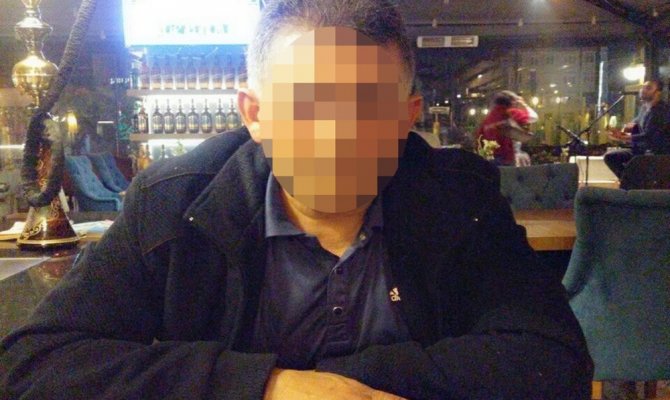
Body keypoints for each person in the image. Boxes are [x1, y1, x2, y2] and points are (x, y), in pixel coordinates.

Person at [0, 1, 593, 399]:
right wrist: (270, 386)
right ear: (255, 115)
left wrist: (338, 384)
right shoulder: (173, 201)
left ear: (406, 118)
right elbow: (35, 363)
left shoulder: (458, 198)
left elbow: (552, 361)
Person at [604, 79, 670, 178]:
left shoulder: (661, 110)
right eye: (643, 87)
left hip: (657, 153)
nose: (643, 90)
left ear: (658, 92)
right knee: (610, 157)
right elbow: (635, 124)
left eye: (648, 88)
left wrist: (622, 138)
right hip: (642, 150)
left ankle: (632, 182)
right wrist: (621, 131)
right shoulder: (644, 108)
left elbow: (648, 136)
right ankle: (629, 182)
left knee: (635, 163)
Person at [475, 90, 537, 166]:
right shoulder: (510, 113)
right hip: (507, 159)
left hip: (490, 160)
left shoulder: (487, 119)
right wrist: (523, 104)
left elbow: (479, 139)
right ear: (512, 102)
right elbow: (533, 117)